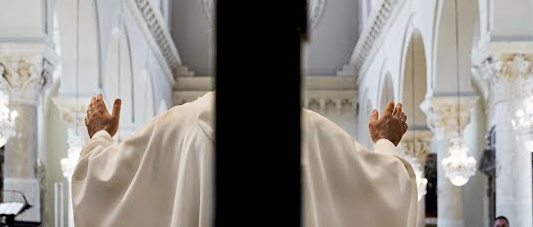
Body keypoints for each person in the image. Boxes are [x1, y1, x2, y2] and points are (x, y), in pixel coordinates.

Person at [72, 92, 418, 227]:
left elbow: (100, 183)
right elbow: (388, 192)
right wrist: (386, 142)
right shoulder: (314, 133)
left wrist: (100, 134)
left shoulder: (174, 127)